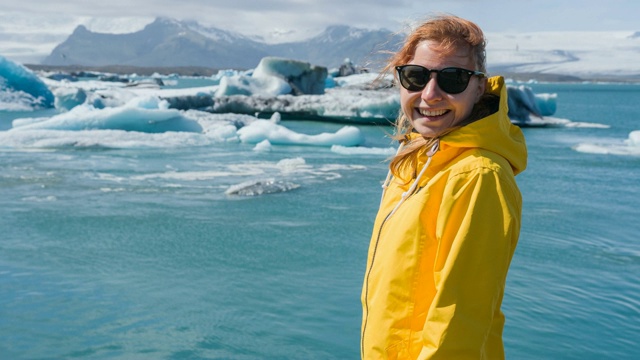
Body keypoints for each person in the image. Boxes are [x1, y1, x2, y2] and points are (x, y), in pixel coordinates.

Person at [361, 14, 527, 360]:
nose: (430, 94)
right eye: (416, 76)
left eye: (453, 79)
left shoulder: (477, 176)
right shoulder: (418, 163)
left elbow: (459, 319)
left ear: (479, 87)